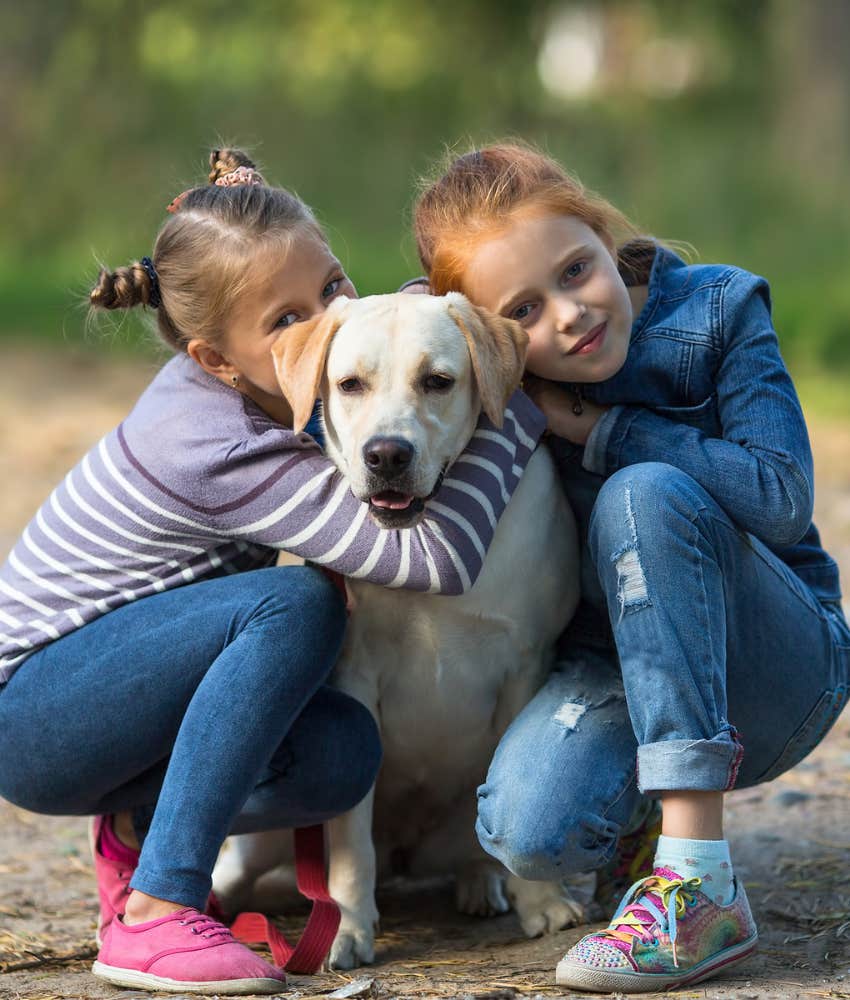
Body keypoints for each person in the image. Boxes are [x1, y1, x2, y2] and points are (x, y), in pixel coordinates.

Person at [0, 148, 546, 995]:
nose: (326, 322)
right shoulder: (214, 442)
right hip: (34, 712)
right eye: (288, 319)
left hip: (128, 694)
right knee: (298, 606)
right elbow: (434, 555)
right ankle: (157, 907)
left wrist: (459, 345)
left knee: (340, 752)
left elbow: (397, 325)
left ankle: (140, 827)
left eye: (331, 288)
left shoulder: (298, 374)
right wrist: (516, 401)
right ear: (217, 359)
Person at [412, 141, 849, 992]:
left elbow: (781, 495)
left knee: (641, 492)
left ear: (603, 231)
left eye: (577, 270)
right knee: (526, 832)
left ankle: (699, 886)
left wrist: (606, 434)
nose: (569, 315)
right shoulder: (502, 382)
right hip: (621, 668)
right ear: (488, 336)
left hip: (775, 661)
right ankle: (645, 839)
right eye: (525, 311)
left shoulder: (718, 307)